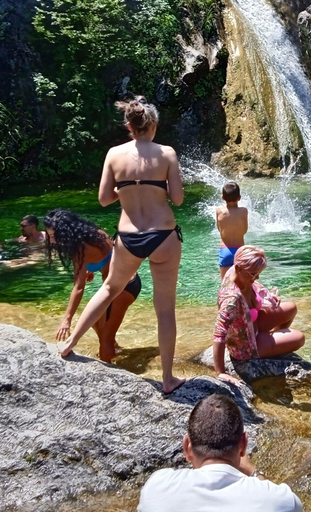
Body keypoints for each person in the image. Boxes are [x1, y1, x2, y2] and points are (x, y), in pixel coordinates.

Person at [56, 96, 186, 394]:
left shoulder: (114, 154)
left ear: (129, 126)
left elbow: (103, 199)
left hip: (128, 236)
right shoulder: (166, 154)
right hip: (162, 235)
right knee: (165, 310)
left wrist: (127, 188)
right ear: (152, 124)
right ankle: (167, 379)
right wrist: (158, 185)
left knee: (108, 290)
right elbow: (177, 199)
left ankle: (70, 343)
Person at [137, 394, 303, 512]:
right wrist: (254, 472)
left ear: (187, 447)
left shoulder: (157, 488)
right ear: (243, 445)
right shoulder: (282, 501)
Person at [44, 209, 140, 363]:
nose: (52, 241)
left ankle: (111, 375)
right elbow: (112, 253)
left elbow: (79, 287)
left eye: (54, 236)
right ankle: (114, 349)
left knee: (105, 340)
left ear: (66, 232)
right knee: (95, 322)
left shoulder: (79, 249)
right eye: (49, 236)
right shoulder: (95, 234)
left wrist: (67, 320)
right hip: (128, 281)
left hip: (124, 288)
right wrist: (91, 267)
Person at [213, 246, 305, 386]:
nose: (257, 277)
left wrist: (269, 296)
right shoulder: (231, 299)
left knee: (291, 307)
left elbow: (255, 288)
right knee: (299, 338)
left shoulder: (236, 271)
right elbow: (219, 334)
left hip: (252, 325)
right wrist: (221, 372)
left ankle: (272, 341)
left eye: (258, 273)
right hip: (246, 345)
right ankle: (268, 344)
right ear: (238, 268)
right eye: (253, 274)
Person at [216, 181, 248, 279]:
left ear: (222, 197)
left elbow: (219, 229)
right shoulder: (244, 211)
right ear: (239, 197)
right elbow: (245, 230)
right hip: (240, 250)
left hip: (225, 250)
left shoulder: (219, 210)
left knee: (225, 284)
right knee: (241, 283)